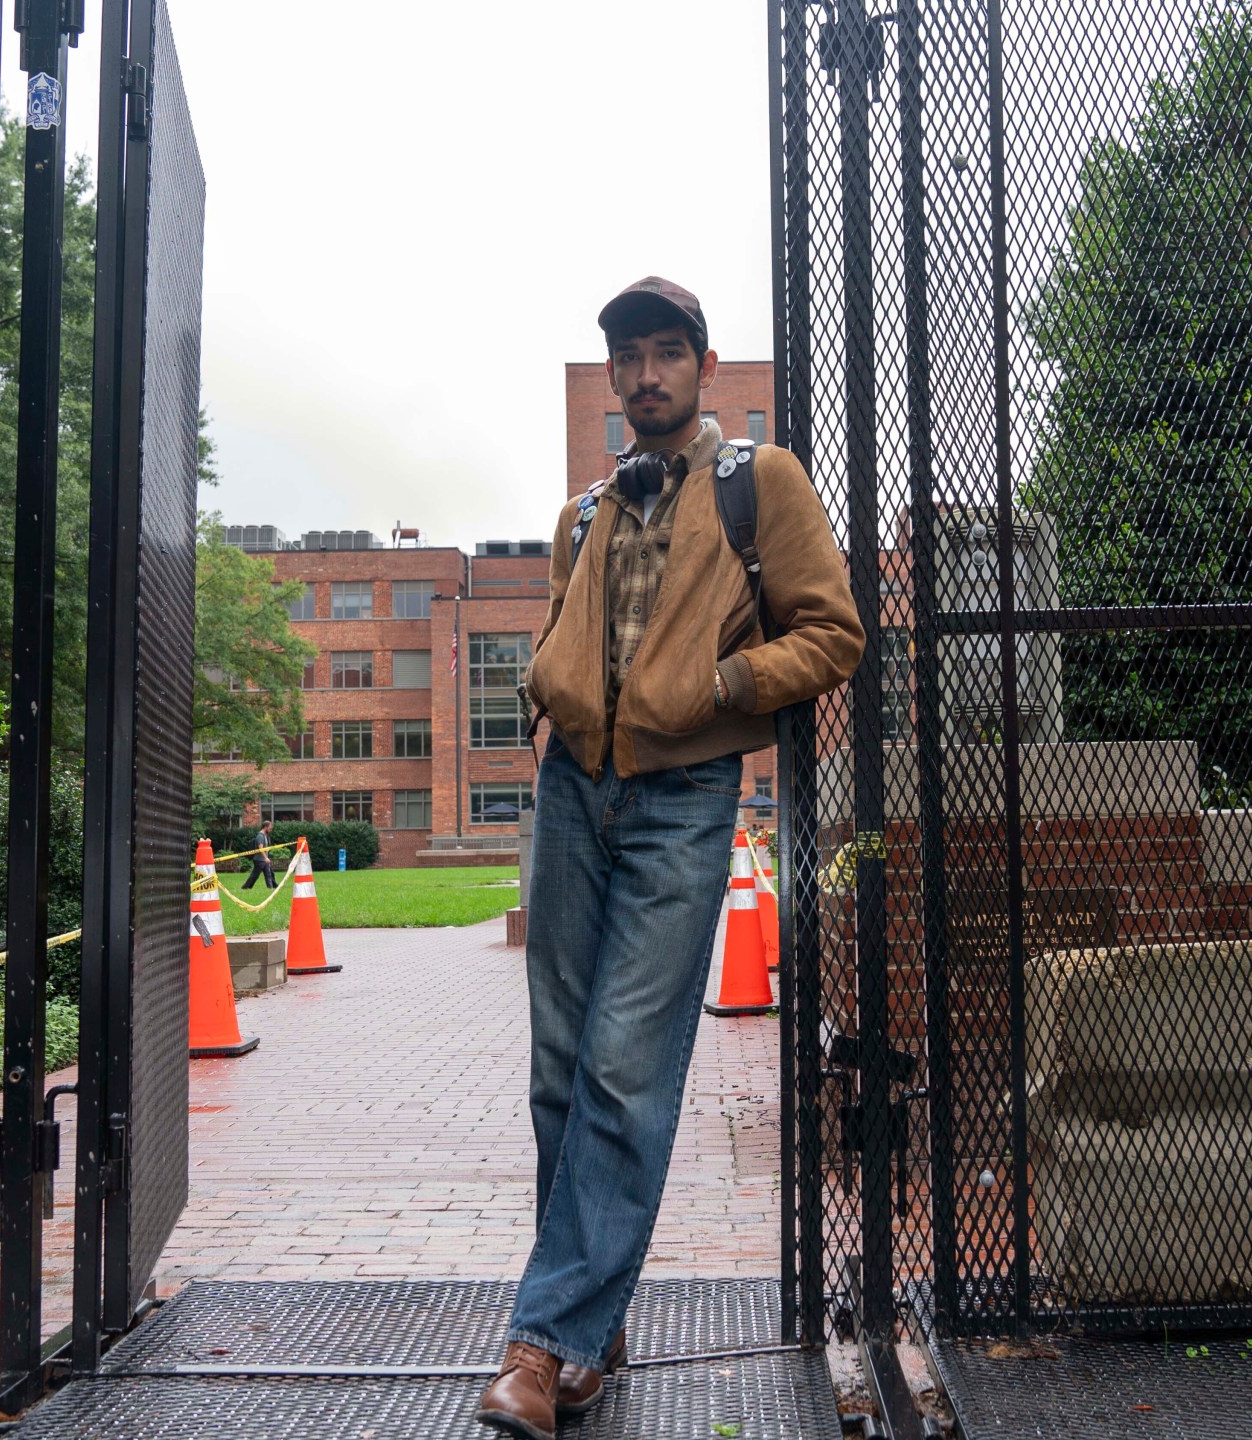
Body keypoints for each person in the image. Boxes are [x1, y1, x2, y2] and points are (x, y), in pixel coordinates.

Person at [476, 278, 862, 1438]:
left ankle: (541, 1350)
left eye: (666, 354)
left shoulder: (760, 483)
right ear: (611, 380)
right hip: (571, 793)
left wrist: (721, 689)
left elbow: (832, 631)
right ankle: (594, 1320)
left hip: (684, 797)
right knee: (559, 1069)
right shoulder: (585, 512)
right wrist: (543, 675)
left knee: (623, 1068)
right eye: (627, 359)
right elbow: (560, 631)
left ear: (701, 366)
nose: (646, 375)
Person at [240, 820, 279, 890]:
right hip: (259, 860)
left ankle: (271, 887)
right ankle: (245, 887)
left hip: (263, 859)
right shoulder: (260, 836)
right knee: (255, 875)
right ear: (265, 827)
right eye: (270, 828)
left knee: (269, 874)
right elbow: (261, 849)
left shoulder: (265, 836)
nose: (271, 830)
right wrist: (265, 858)